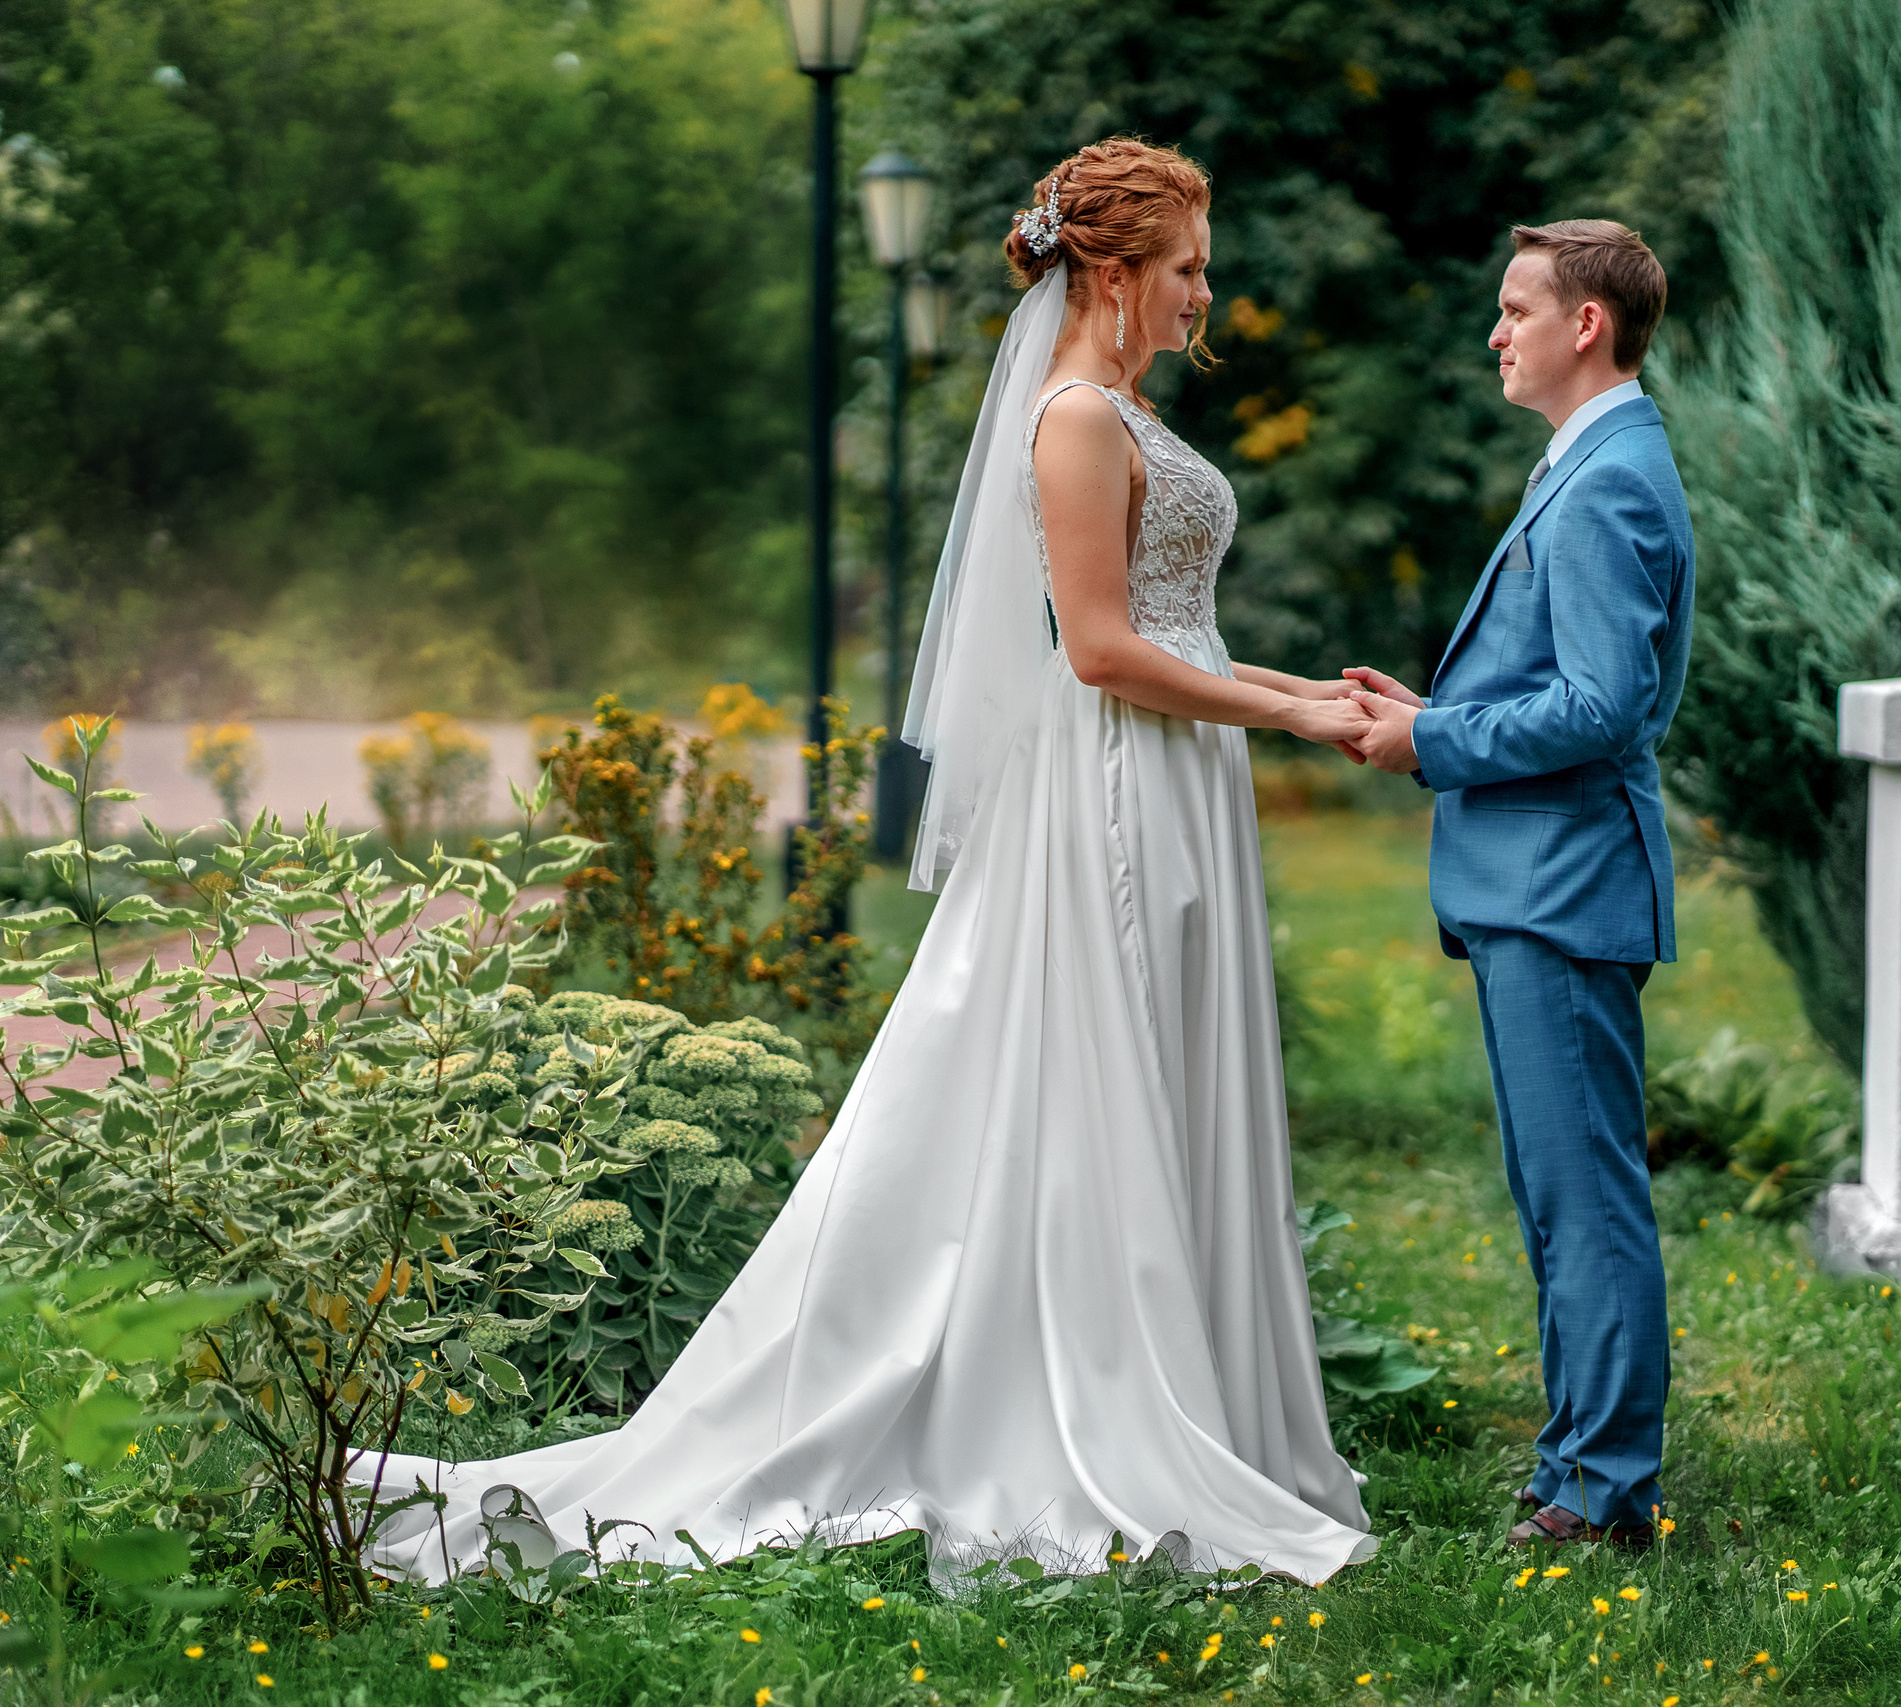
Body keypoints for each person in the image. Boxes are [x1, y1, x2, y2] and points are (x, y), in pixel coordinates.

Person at [354, 137, 1379, 1589]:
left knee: (1169, 1073)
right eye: (1188, 268)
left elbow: (1178, 633)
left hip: (1179, 776)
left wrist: (1314, 701)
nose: (1205, 294)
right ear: (1110, 267)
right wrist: (1287, 710)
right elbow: (1097, 651)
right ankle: (1077, 1393)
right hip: (1111, 797)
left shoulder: (1127, 413)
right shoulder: (1077, 419)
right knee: (1102, 1079)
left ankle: (1199, 1395)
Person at [1343, 219, 1693, 1547]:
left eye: (1517, 309)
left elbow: (1603, 704)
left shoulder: (1607, 478)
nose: (1497, 333)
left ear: (1584, 326)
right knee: (1560, 1194)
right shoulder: (1591, 460)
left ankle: (1606, 1492)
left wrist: (1431, 742)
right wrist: (1435, 709)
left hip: (1562, 886)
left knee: (1586, 1196)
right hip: (1533, 885)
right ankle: (1573, 1464)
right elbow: (1564, 681)